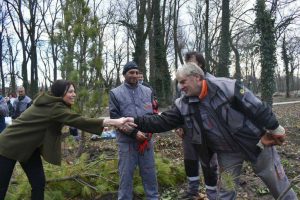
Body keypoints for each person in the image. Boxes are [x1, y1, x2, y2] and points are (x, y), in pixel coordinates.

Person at [124, 63, 297, 200]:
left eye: (183, 81)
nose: (180, 87)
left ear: (197, 77)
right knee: (226, 191)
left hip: (257, 144)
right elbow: (162, 121)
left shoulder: (227, 87)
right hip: (227, 154)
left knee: (277, 182)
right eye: (179, 83)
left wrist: (274, 128)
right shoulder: (183, 104)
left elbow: (256, 107)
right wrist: (135, 121)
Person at [0, 80, 135, 200]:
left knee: (38, 183)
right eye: (70, 91)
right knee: (2, 188)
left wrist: (101, 125)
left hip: (29, 148)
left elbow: (72, 120)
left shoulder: (52, 104)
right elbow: (80, 121)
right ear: (60, 93)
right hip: (8, 145)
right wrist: (116, 121)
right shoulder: (55, 107)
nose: (74, 94)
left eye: (74, 91)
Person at [109, 61, 159, 200]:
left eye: (137, 72)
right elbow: (115, 118)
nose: (135, 75)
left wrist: (148, 133)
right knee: (125, 177)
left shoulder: (148, 91)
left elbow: (152, 115)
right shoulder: (115, 93)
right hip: (127, 143)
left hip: (146, 142)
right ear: (124, 74)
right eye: (131, 72)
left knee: (150, 176)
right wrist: (134, 133)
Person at [175, 51, 218, 200]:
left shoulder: (211, 81)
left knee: (209, 163)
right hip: (188, 127)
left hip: (206, 130)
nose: (189, 66)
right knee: (190, 159)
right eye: (187, 63)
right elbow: (181, 106)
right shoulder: (184, 81)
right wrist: (179, 125)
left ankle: (213, 194)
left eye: (192, 63)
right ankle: (193, 189)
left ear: (200, 64)